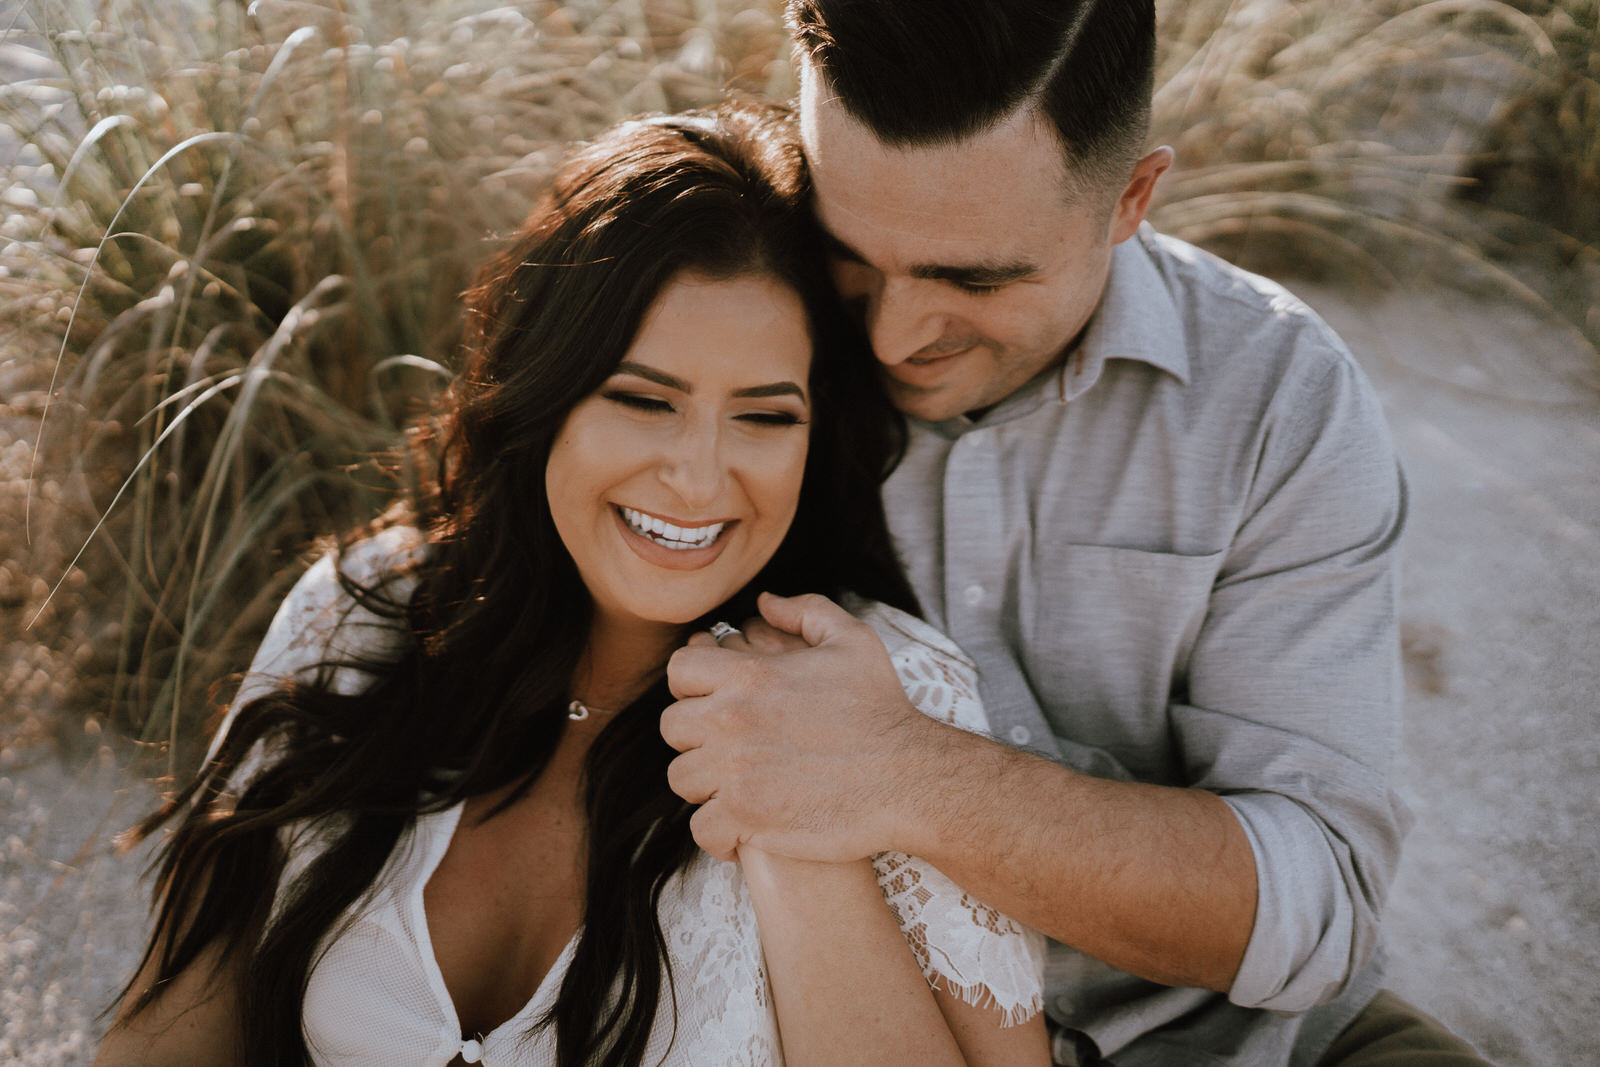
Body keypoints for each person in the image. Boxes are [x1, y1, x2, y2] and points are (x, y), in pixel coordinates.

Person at [96, 101, 1050, 1066]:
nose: (698, 475)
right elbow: (162, 1038)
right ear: (543, 391)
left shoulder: (889, 693)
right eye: (644, 399)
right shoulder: (361, 611)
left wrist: (796, 822)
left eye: (765, 417)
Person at [659, 3, 1492, 1065]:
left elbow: (1316, 901)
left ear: (1131, 199)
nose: (889, 334)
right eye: (847, 255)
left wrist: (905, 772)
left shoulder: (1279, 393)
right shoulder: (713, 317)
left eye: (977, 278)